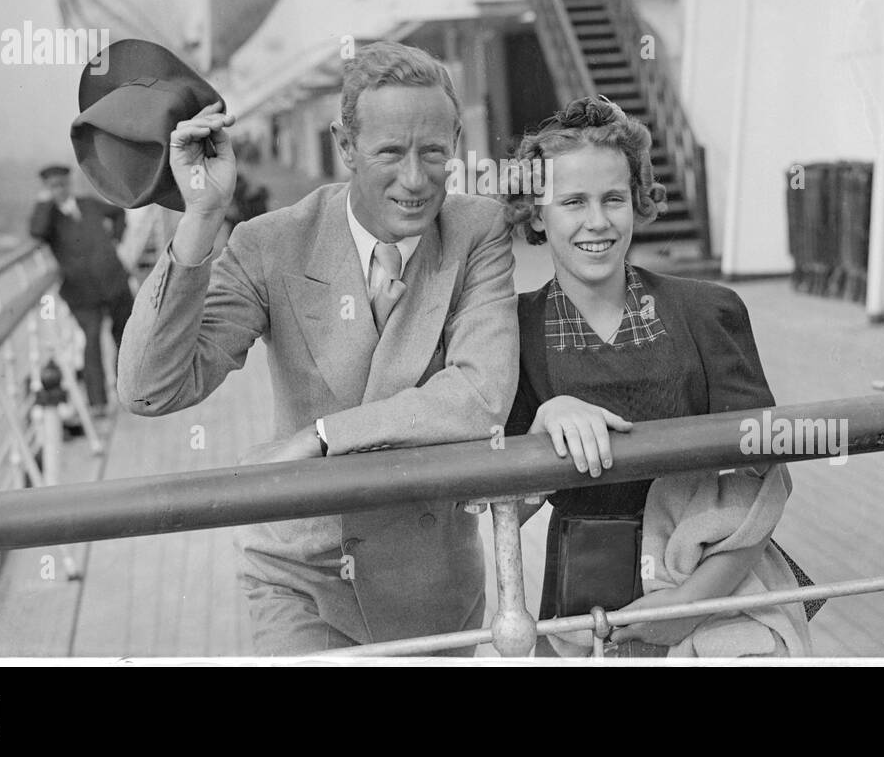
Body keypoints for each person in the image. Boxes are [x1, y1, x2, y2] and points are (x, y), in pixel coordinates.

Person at [117, 42, 518, 655]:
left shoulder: (477, 231)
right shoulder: (270, 244)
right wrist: (200, 219)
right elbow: (152, 389)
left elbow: (480, 394)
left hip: (428, 593)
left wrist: (324, 435)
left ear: (457, 142)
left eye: (433, 152)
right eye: (389, 152)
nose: (415, 180)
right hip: (299, 579)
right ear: (345, 145)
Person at [503, 95, 810, 658]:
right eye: (572, 201)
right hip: (581, 596)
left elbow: (761, 481)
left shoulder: (708, 312)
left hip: (717, 585)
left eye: (613, 198)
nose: (597, 222)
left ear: (638, 201)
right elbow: (508, 507)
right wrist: (544, 420)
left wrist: (688, 606)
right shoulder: (515, 331)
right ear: (535, 212)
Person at [29, 165, 133, 415]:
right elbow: (37, 232)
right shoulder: (49, 217)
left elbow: (119, 213)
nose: (60, 190)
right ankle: (98, 403)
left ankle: (129, 389)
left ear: (69, 183)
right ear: (46, 189)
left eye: (62, 184)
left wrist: (116, 240)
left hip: (114, 280)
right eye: (53, 186)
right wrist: (44, 204)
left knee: (126, 336)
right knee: (92, 340)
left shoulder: (88, 204)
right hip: (81, 291)